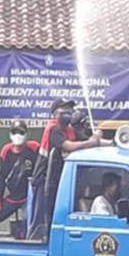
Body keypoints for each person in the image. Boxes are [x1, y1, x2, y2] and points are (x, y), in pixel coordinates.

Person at [28, 98, 102, 239]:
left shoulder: (69, 130)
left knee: (55, 216)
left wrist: (106, 140)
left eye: (70, 110)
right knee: (42, 220)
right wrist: (92, 141)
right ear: (55, 114)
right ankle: (37, 246)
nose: (68, 113)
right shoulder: (54, 129)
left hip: (58, 181)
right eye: (64, 111)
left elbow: (86, 141)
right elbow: (69, 146)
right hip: (44, 181)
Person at [0, 120, 39, 233]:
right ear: (10, 135)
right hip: (13, 197)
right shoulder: (6, 151)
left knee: (31, 227)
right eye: (15, 132)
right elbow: (1, 178)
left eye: (21, 133)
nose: (18, 136)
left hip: (30, 197)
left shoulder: (34, 148)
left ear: (26, 134)